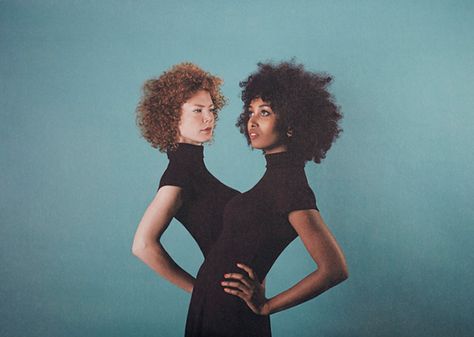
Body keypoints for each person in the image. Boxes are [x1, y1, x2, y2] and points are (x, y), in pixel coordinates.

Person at [185, 61, 349, 337]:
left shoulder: (290, 186)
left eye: (265, 112)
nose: (252, 121)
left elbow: (334, 269)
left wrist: (267, 306)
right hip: (213, 306)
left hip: (232, 316)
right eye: (251, 112)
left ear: (292, 125)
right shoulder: (275, 178)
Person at [132, 63, 239, 293]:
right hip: (223, 306)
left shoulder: (194, 172)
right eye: (198, 110)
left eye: (211, 110)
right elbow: (142, 245)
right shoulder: (178, 176)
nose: (208, 118)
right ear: (171, 116)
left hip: (243, 304)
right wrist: (201, 292)